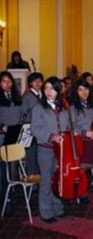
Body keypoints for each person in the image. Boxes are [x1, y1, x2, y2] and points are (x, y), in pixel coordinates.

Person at [31, 77, 68, 223]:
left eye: (52, 88)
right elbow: (35, 129)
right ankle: (46, 212)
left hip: (61, 150)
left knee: (58, 180)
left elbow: (66, 125)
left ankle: (58, 208)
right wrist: (51, 136)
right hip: (45, 150)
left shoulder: (64, 107)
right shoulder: (38, 108)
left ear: (58, 90)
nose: (49, 92)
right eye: (46, 88)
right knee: (47, 181)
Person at [70, 79, 93, 201]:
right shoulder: (73, 108)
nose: (84, 92)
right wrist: (85, 133)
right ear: (76, 92)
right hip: (81, 142)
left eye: (86, 89)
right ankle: (82, 193)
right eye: (80, 90)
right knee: (83, 171)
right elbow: (71, 127)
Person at [0, 71, 23, 215]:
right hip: (1, 137)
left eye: (9, 81)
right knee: (2, 168)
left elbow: (20, 115)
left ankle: (11, 191)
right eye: (4, 81)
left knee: (12, 166)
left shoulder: (16, 98)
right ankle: (3, 196)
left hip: (13, 137)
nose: (7, 84)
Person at [21, 72, 44, 176]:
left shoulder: (43, 95)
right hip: (30, 130)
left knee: (40, 157)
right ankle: (32, 184)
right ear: (30, 83)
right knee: (31, 157)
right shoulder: (27, 97)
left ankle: (39, 181)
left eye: (40, 80)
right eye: (35, 81)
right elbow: (23, 114)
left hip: (41, 130)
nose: (38, 83)